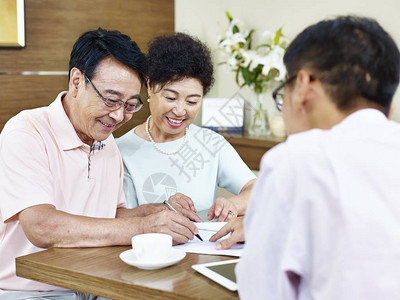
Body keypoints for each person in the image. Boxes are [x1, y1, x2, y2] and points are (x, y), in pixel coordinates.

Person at [0, 28, 200, 299]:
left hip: (94, 284)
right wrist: (143, 227)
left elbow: (109, 218)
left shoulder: (106, 140)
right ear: (76, 81)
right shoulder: (26, 132)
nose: (118, 116)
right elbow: (41, 226)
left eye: (130, 104)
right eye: (111, 100)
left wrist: (155, 213)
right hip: (32, 290)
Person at [236, 16, 400, 299]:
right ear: (389, 107)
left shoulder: (295, 159)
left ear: (303, 86)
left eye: (280, 95)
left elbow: (261, 291)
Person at [117, 33, 256, 222]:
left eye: (192, 101)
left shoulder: (211, 143)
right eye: (171, 98)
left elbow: (257, 189)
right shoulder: (121, 150)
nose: (180, 110)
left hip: (202, 250)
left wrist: (233, 205)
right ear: (149, 86)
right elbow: (118, 217)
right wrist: (162, 210)